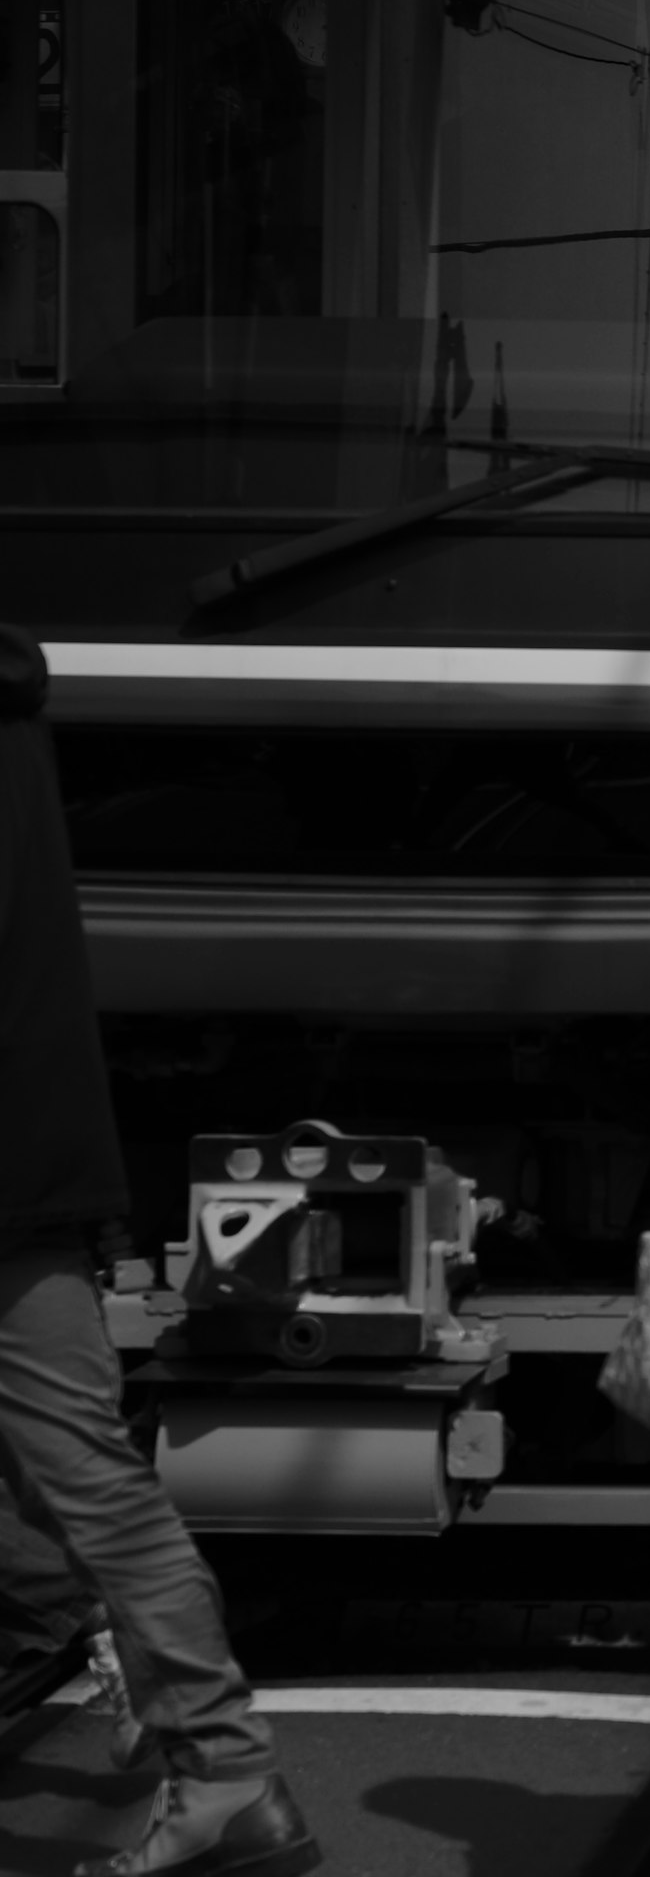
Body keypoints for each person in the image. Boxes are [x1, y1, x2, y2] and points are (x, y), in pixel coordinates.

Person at [0, 630, 326, 1877]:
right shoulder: (15, 707)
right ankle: (219, 1761)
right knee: (81, 1466)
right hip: (32, 1150)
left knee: (78, 1468)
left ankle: (220, 1758)